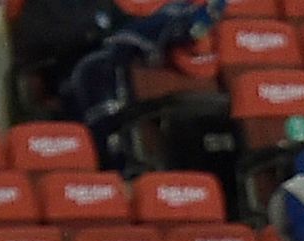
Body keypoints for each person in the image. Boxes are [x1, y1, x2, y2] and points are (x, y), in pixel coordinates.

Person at [56, 0, 225, 172]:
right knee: (95, 66)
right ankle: (115, 162)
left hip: (146, 53)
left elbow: (195, 29)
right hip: (88, 68)